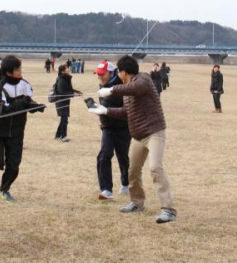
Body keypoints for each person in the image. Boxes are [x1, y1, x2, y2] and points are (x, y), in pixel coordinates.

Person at [89, 55, 177, 224]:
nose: (118, 75)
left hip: (154, 133)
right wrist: (105, 111)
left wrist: (111, 90)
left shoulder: (143, 80)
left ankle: (168, 210)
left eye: (119, 72)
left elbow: (136, 87)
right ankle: (137, 202)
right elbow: (126, 112)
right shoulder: (127, 88)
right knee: (133, 170)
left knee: (155, 168)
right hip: (138, 136)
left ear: (123, 72)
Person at [0, 56, 45, 202]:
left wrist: (36, 107)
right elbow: (4, 111)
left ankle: (5, 189)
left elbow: (28, 102)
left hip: (16, 131)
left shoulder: (25, 85)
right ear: (9, 73)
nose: (20, 71)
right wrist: (23, 103)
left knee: (14, 164)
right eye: (17, 70)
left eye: (20, 68)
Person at [93, 61, 131, 200]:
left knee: (123, 158)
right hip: (107, 128)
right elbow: (104, 107)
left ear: (112, 73)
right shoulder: (103, 86)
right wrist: (102, 118)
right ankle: (106, 190)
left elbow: (125, 110)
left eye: (103, 74)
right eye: (98, 74)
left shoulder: (121, 87)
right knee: (104, 155)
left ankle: (126, 183)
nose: (100, 77)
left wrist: (104, 111)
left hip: (123, 128)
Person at [54, 65, 82, 142]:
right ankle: (63, 136)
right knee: (64, 119)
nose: (68, 69)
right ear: (62, 71)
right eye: (66, 68)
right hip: (60, 101)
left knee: (63, 119)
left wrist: (76, 91)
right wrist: (73, 94)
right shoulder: (61, 79)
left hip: (65, 101)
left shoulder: (66, 78)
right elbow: (61, 92)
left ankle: (58, 135)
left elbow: (69, 89)